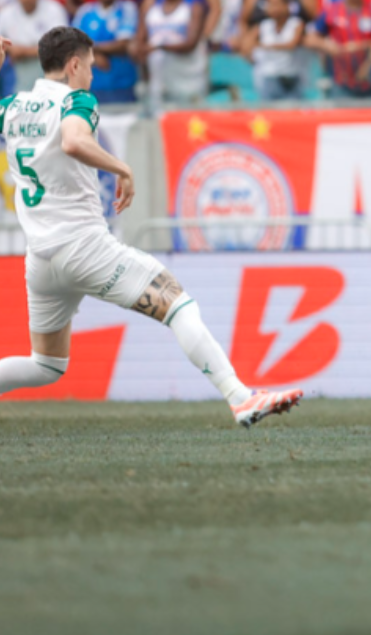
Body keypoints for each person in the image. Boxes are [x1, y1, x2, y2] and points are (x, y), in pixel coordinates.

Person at [0, 27, 302, 424]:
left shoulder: (12, 107)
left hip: (40, 259)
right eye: (89, 66)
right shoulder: (77, 100)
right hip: (84, 247)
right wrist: (122, 167)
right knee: (177, 304)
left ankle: (242, 397)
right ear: (73, 65)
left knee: (47, 364)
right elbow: (73, 141)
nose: (91, 74)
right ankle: (240, 397)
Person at [139, 0, 209, 106]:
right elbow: (140, 42)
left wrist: (159, 47)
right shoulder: (152, 10)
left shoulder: (193, 8)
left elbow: (190, 44)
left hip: (188, 81)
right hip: (159, 83)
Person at [71, 0, 139, 103]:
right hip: (89, 86)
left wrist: (90, 51)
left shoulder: (127, 8)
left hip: (121, 84)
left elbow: (123, 44)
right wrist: (94, 57)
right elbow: (72, 44)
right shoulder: (85, 11)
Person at [0, 0, 70, 93]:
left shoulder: (54, 9)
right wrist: (11, 49)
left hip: (47, 69)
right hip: (16, 70)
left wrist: (23, 51)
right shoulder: (7, 13)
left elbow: (60, 44)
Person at [245, 0, 307, 100]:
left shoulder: (296, 24)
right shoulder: (262, 26)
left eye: (276, 3)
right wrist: (257, 58)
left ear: (287, 5)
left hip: (292, 78)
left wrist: (264, 46)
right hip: (269, 78)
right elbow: (247, 46)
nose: (272, 7)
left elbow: (291, 45)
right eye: (269, 3)